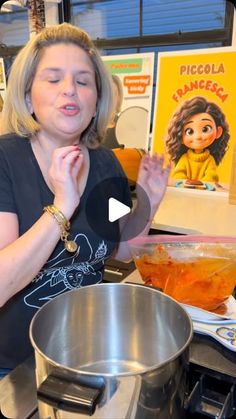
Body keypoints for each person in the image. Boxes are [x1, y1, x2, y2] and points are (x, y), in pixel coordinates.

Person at [0, 23, 170, 378]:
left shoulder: (106, 164)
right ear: (29, 97)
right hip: (14, 368)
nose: (70, 91)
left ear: (96, 102)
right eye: (53, 78)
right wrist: (62, 205)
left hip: (88, 352)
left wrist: (149, 203)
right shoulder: (6, 160)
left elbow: (122, 248)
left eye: (82, 81)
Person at [166, 96, 230, 186]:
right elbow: (178, 174)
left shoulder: (209, 160)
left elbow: (211, 177)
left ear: (218, 132)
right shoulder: (184, 159)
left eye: (205, 129)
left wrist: (201, 185)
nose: (198, 136)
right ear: (180, 136)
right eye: (190, 131)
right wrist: (185, 183)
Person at [103, 74, 124, 149]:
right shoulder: (92, 125)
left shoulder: (124, 123)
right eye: (108, 93)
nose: (110, 98)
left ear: (119, 97)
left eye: (114, 94)